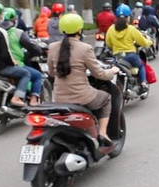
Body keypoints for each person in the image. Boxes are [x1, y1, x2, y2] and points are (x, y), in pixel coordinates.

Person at [46, 13, 119, 148]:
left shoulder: (52, 47)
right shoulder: (85, 48)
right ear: (80, 29)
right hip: (83, 97)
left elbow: (51, 72)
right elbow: (99, 74)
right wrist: (112, 71)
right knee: (106, 98)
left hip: (59, 98)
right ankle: (103, 133)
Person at [1, 8, 46, 103]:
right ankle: (33, 100)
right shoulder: (17, 32)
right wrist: (38, 51)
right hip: (16, 64)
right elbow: (31, 47)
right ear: (13, 20)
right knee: (37, 75)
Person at [105, 4, 152, 92]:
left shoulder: (111, 29)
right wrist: (149, 42)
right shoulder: (131, 29)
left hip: (117, 57)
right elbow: (142, 41)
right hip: (130, 56)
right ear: (128, 17)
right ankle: (143, 83)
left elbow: (108, 43)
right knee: (141, 66)